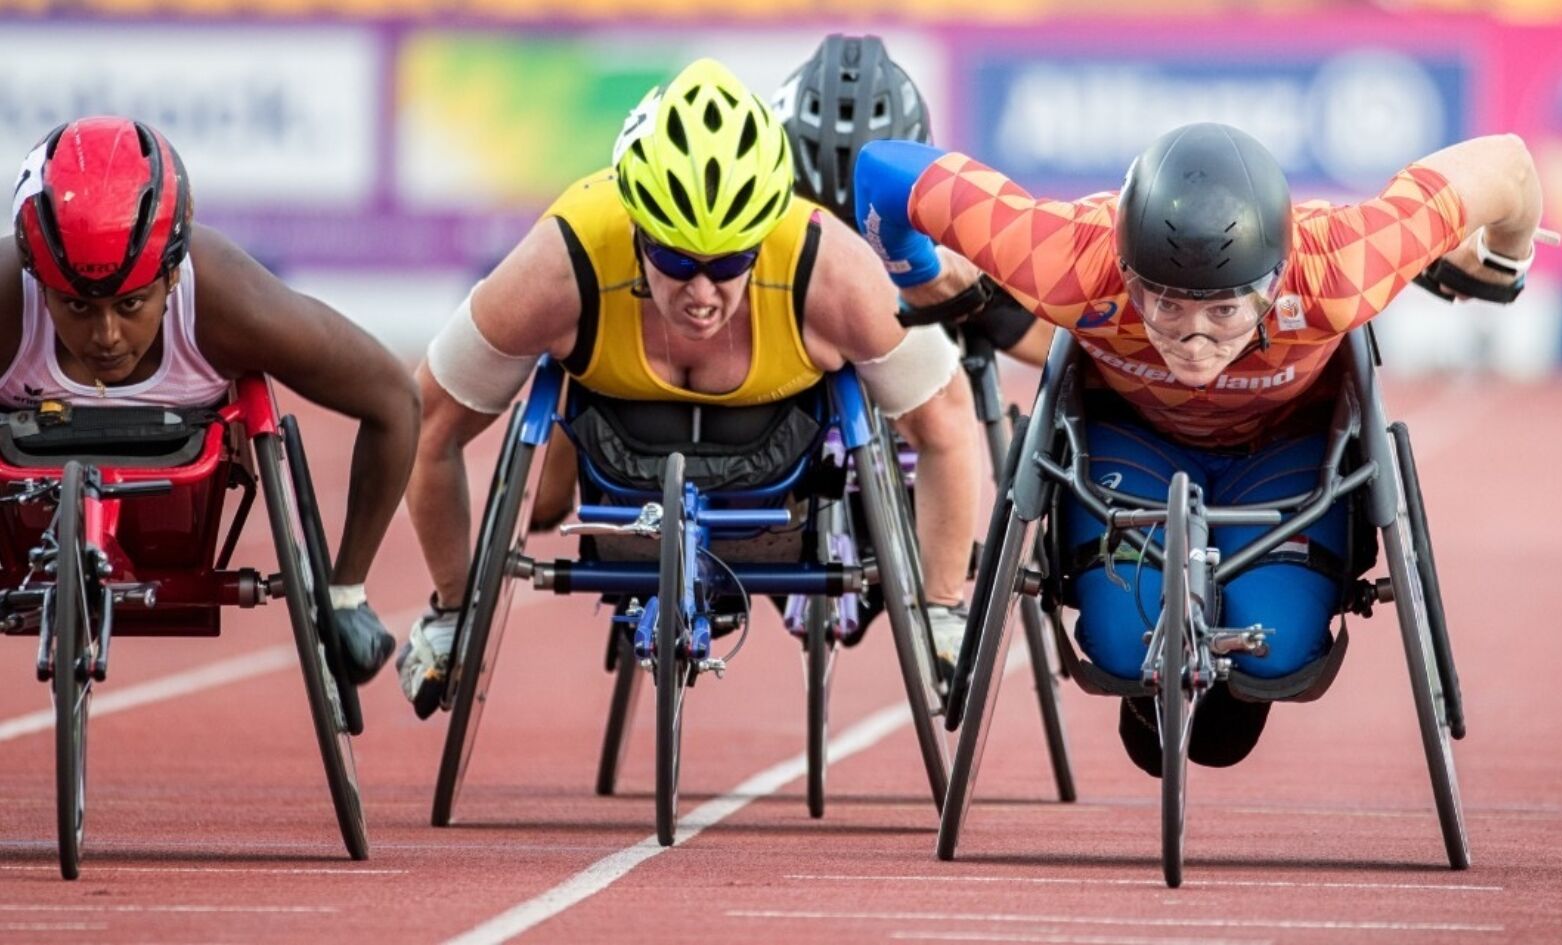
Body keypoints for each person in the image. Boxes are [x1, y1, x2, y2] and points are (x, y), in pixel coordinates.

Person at [853, 120, 1543, 774]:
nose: (1194, 338)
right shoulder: (1066, 256)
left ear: (1273, 287)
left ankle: (1234, 665)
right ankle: (1148, 674)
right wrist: (922, 277)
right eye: (1167, 305)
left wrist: (1503, 258)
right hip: (1131, 439)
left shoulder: (1343, 265)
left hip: (1289, 451)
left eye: (1223, 311)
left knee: (1274, 655)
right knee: (1125, 649)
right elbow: (881, 168)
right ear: (1126, 273)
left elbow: (1509, 164)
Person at [397, 58, 982, 716]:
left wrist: (940, 608)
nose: (703, 294)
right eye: (677, 260)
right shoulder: (566, 259)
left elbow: (949, 420)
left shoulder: (826, 264)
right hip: (617, 461)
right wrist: (454, 604)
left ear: (763, 238)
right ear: (638, 228)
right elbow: (429, 423)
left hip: (780, 472)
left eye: (729, 262)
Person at [3, 116, 419, 685]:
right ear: (36, 280)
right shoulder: (7, 304)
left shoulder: (226, 302)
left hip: (185, 517)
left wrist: (344, 592)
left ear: (172, 275)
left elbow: (394, 400)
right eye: (77, 306)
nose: (106, 336)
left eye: (130, 305)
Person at [775, 32, 1052, 367]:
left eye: (860, 234)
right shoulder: (744, 258)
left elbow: (1052, 346)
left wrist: (981, 296)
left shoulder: (946, 245)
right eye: (822, 231)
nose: (844, 257)